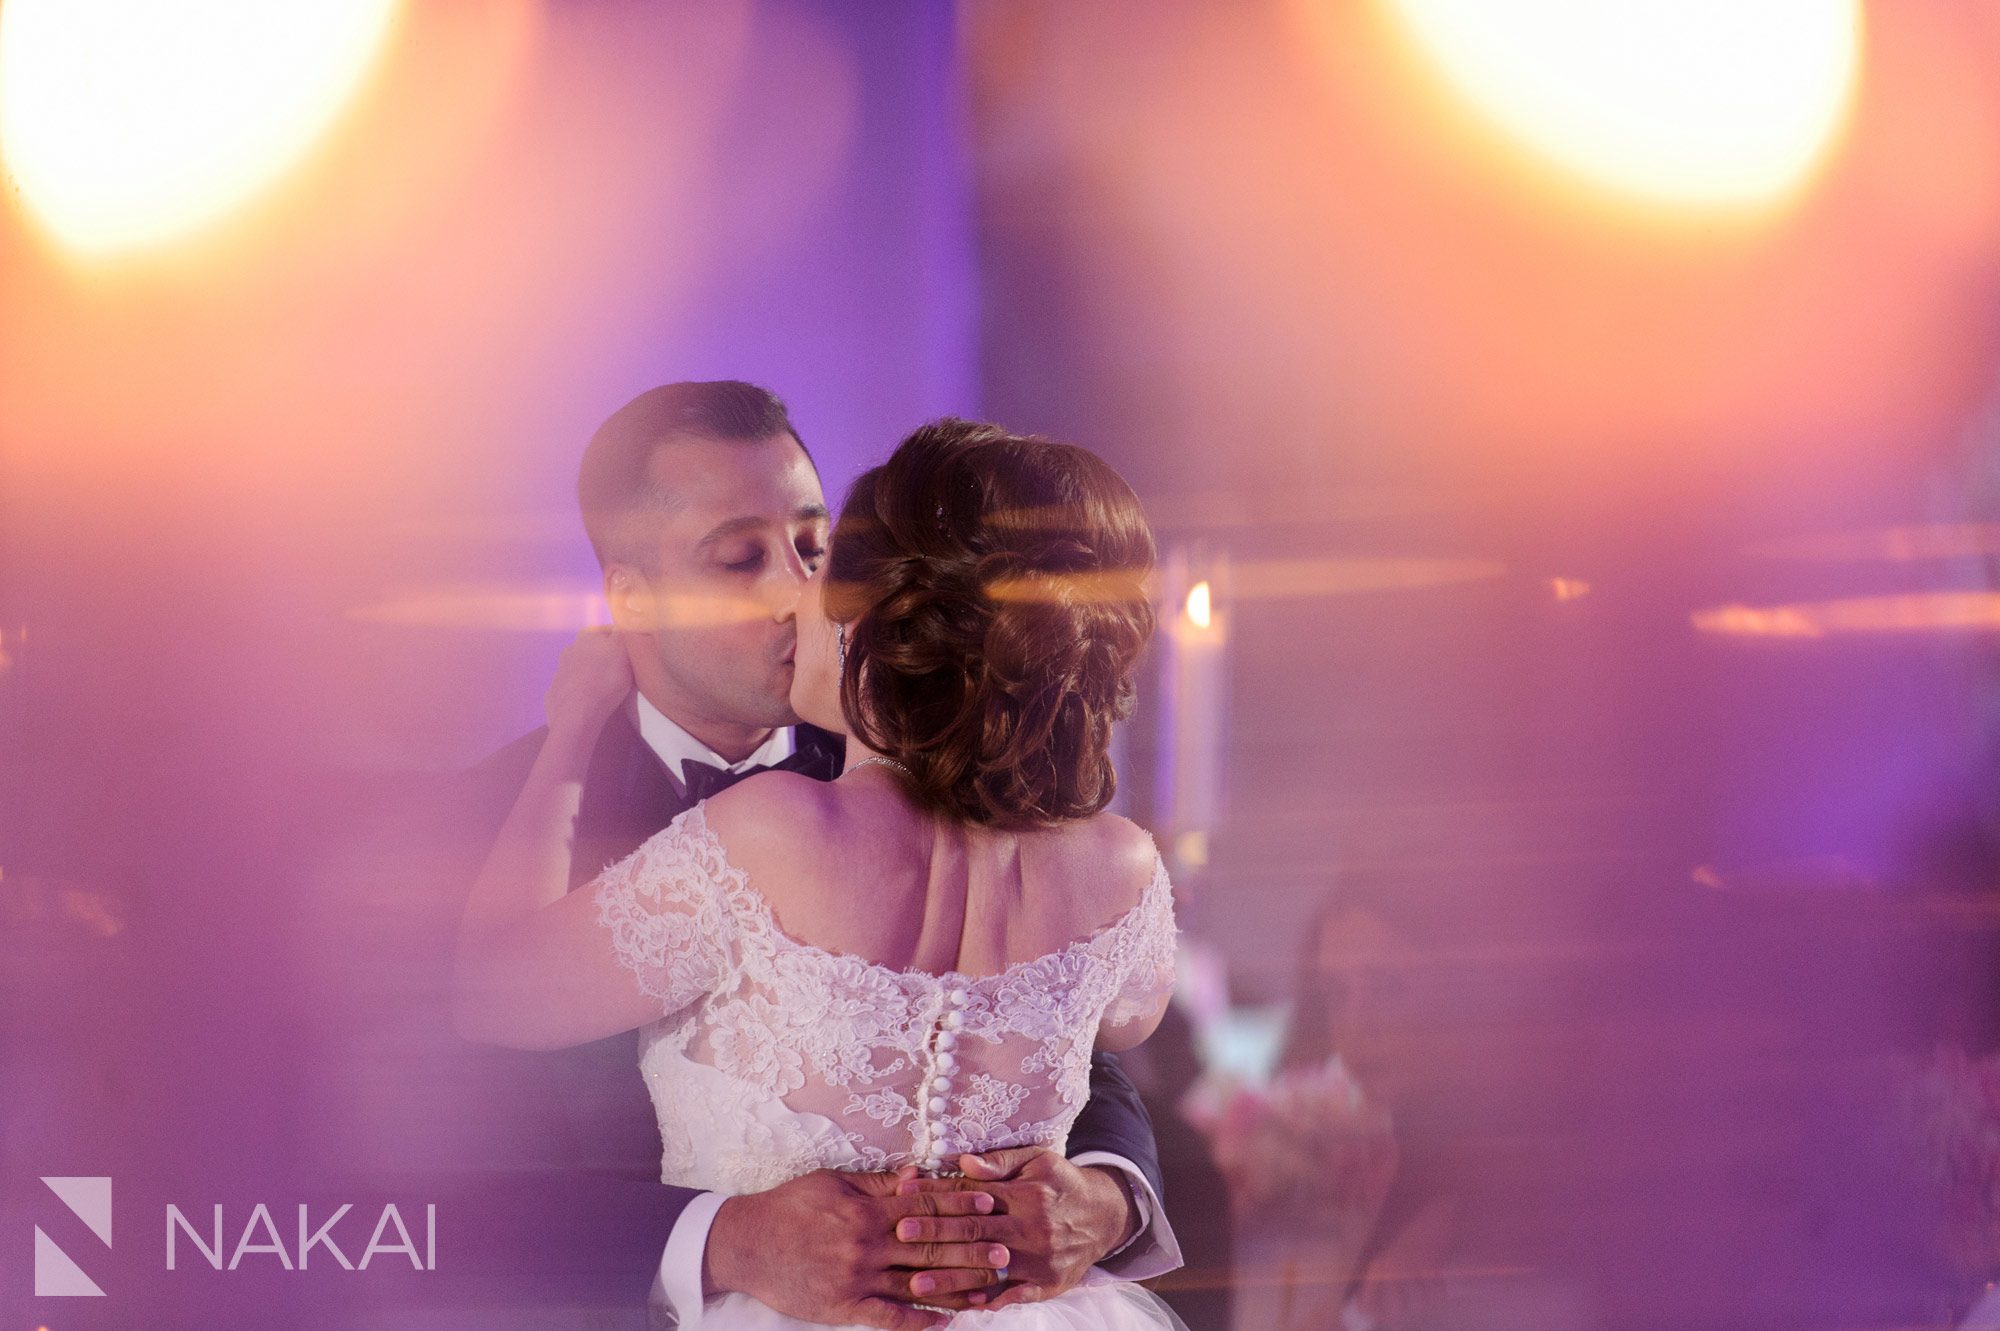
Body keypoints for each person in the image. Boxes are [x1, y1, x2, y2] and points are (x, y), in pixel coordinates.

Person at [456, 389, 1182, 1327]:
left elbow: (493, 986)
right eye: (739, 555)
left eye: (813, 551)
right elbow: (1090, 1021)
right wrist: (720, 1239)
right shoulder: (1115, 868)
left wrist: (1109, 1196)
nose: (790, 588)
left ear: (870, 618)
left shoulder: (767, 834)